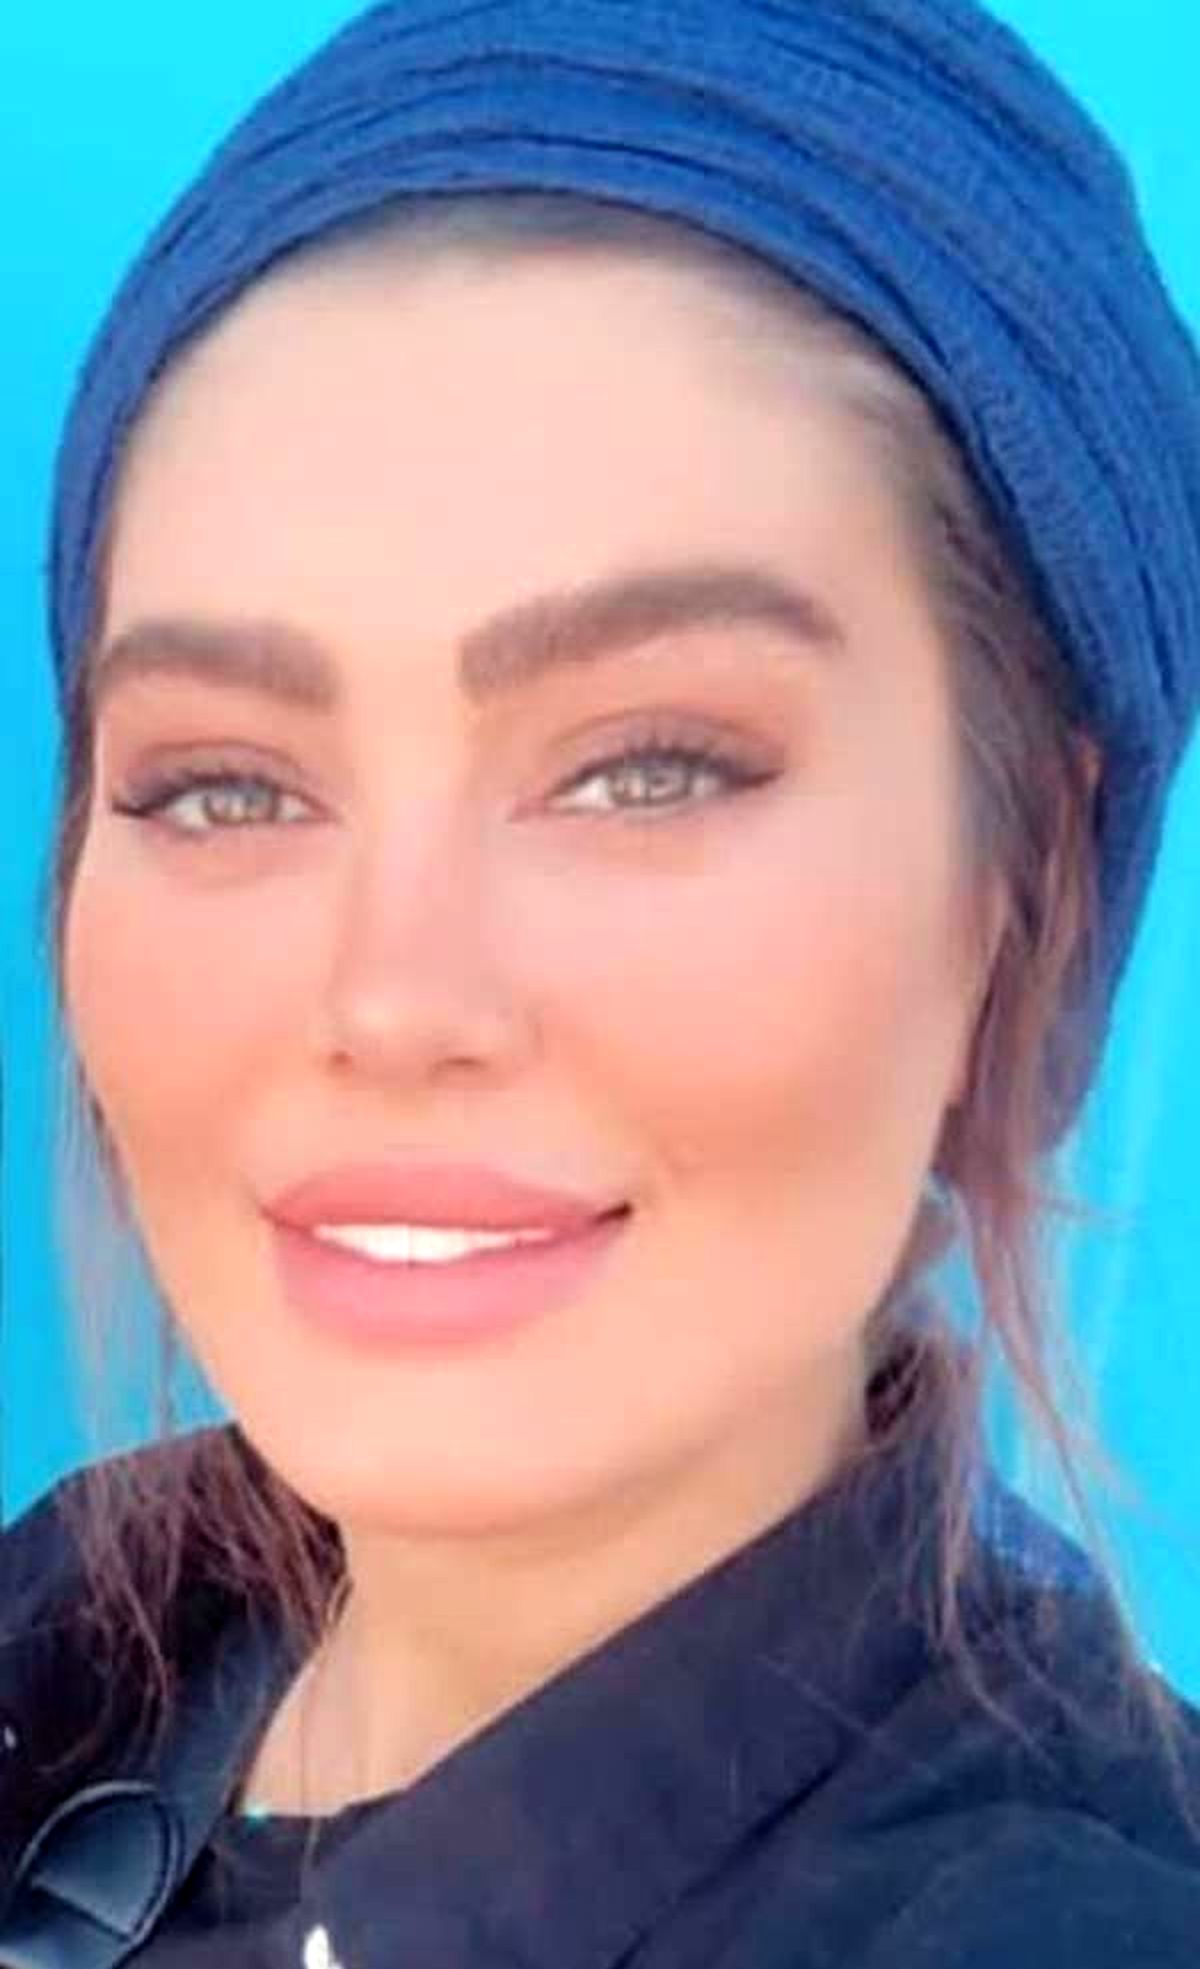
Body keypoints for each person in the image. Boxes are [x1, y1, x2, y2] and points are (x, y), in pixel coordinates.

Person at [3, 0, 1200, 1962]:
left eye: (647, 768)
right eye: (224, 784)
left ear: (1023, 895)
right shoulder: (67, 1634)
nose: (394, 998)